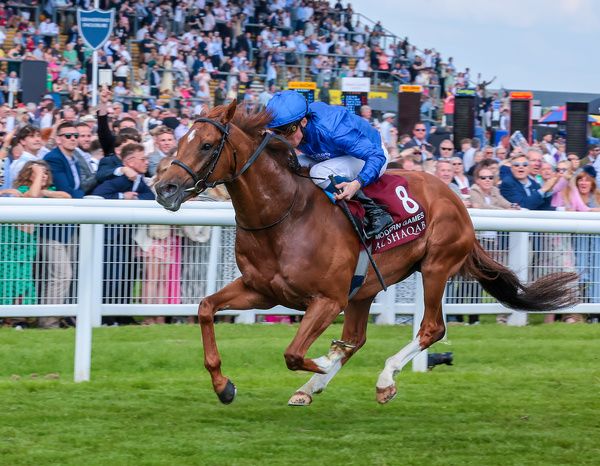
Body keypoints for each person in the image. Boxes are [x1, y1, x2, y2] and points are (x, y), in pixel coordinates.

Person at [265, 90, 393, 238]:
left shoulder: (333, 129)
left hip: (372, 154)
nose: (281, 138)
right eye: (275, 132)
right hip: (335, 154)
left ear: (304, 122)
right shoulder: (296, 125)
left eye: (286, 131)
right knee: (288, 164)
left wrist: (357, 183)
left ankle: (376, 212)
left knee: (318, 172)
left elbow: (376, 156)